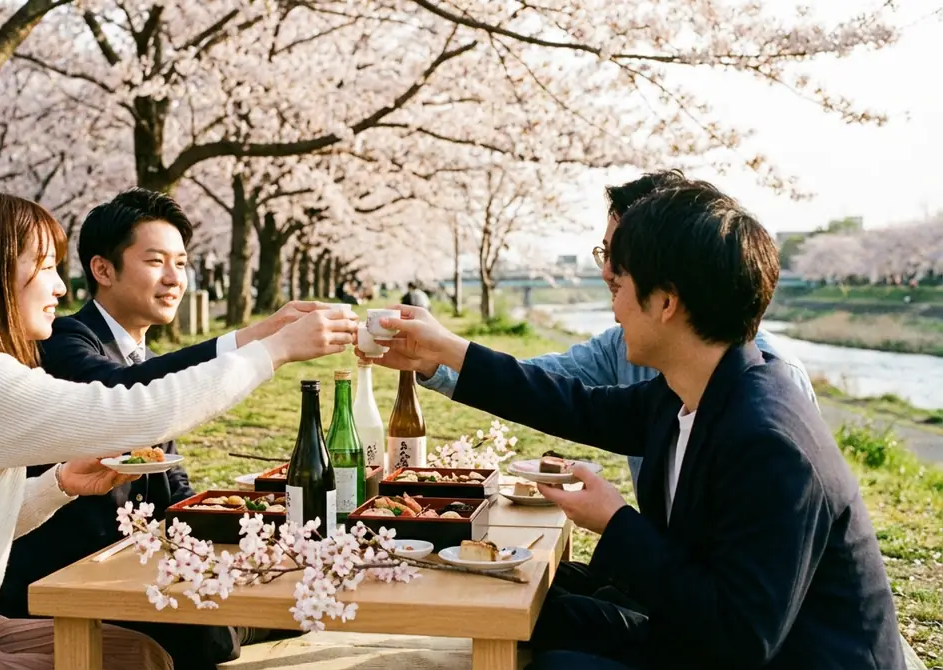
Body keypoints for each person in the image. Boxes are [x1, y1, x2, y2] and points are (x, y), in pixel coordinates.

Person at [0, 190, 356, 670]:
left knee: (137, 653)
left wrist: (57, 485)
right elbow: (132, 411)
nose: (60, 287)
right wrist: (271, 350)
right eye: (46, 267)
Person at [363, 184, 903, 669]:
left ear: (666, 302)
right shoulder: (691, 391)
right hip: (707, 635)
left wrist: (616, 521)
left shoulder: (768, 440)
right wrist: (448, 351)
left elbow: (741, 638)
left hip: (781, 656)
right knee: (535, 609)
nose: (614, 304)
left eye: (620, 283)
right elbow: (569, 404)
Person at [0, 189, 318, 668]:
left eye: (181, 263)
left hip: (139, 563)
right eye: (155, 261)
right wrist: (253, 341)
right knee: (208, 636)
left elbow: (170, 483)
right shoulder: (64, 341)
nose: (173, 278)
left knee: (290, 588)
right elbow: (128, 394)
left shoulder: (151, 362)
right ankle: (236, 622)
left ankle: (239, 614)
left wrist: (232, 521)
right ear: (103, 270)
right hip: (66, 574)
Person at [416, 170, 817, 491]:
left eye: (622, 259)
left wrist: (614, 521)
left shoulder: (765, 414)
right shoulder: (664, 390)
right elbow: (554, 395)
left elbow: (741, 567)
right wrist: (437, 355)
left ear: (668, 288)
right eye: (605, 254)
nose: (607, 273)